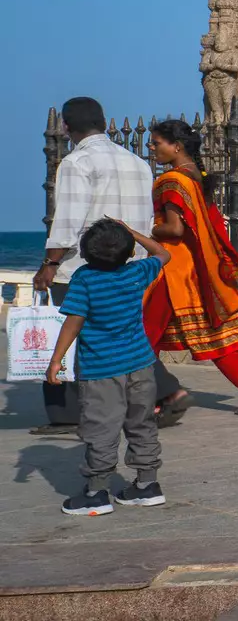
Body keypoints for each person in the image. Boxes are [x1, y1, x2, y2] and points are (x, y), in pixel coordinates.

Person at [34, 97, 188, 436]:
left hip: (84, 267)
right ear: (103, 123)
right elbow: (146, 220)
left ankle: (66, 413)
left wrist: (50, 263)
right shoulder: (137, 162)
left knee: (70, 333)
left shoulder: (77, 163)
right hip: (130, 265)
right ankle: (166, 389)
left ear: (66, 127)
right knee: (123, 329)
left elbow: (68, 221)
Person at [44, 220, 172, 515]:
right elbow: (163, 253)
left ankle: (96, 492)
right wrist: (133, 233)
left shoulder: (85, 278)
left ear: (87, 253)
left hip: (101, 371)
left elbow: (74, 320)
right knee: (142, 424)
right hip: (141, 365)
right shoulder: (136, 272)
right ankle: (147, 485)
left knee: (101, 429)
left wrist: (56, 359)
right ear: (128, 252)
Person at [144, 120, 238, 413]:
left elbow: (174, 229)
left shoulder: (172, 180)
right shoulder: (196, 177)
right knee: (209, 332)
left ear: (176, 146)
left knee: (143, 332)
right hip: (199, 267)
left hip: (173, 269)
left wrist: (149, 230)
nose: (152, 148)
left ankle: (157, 398)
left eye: (156, 142)